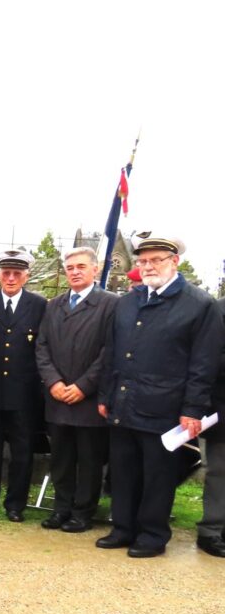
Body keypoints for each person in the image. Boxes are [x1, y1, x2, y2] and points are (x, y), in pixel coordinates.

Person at [96, 234, 223, 558]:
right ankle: (123, 528)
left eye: (156, 260)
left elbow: (203, 364)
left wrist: (193, 409)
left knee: (157, 476)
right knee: (123, 471)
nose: (148, 266)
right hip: (124, 403)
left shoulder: (198, 305)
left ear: (174, 261)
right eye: (143, 261)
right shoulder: (128, 301)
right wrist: (105, 396)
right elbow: (112, 353)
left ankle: (152, 535)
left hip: (165, 408)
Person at [35, 247, 118, 533]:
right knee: (61, 458)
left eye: (81, 266)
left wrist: (83, 385)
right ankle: (61, 508)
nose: (75, 272)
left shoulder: (110, 304)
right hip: (57, 397)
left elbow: (110, 351)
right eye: (70, 267)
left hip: (88, 399)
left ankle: (83, 512)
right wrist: (54, 382)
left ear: (95, 269)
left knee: (89, 460)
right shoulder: (54, 305)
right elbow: (42, 347)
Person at [0, 250, 47, 522]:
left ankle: (15, 505)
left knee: (22, 453)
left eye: (17, 273)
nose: (11, 278)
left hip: (24, 394)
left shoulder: (39, 305)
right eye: (6, 273)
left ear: (26, 276)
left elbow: (43, 347)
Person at [196, 298, 225, 558]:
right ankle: (211, 531)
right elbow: (209, 357)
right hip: (223, 406)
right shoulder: (219, 309)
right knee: (220, 472)